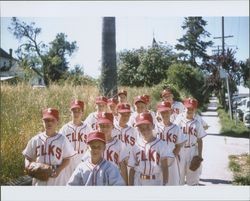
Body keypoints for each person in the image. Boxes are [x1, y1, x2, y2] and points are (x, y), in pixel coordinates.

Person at [22, 108, 76, 185]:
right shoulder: (35, 139)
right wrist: (28, 166)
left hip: (57, 179)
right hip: (39, 179)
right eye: (46, 120)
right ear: (42, 122)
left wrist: (58, 170)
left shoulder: (63, 140)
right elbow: (28, 157)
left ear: (57, 121)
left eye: (52, 120)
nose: (49, 123)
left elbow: (67, 159)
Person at [82, 112, 129, 185]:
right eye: (102, 126)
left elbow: (123, 167)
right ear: (97, 126)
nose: (104, 128)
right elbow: (85, 164)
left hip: (114, 180)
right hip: (96, 180)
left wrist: (125, 185)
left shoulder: (119, 144)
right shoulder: (93, 144)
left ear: (113, 126)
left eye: (107, 126)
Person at [128, 112, 173, 186]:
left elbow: (165, 167)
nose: (145, 130)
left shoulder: (161, 144)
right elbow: (132, 169)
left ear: (153, 126)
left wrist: (165, 183)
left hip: (155, 181)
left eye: (147, 127)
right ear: (138, 129)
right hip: (138, 181)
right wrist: (130, 186)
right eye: (141, 128)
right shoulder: (135, 146)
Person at [174, 98, 207, 185]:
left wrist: (199, 155)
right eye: (188, 108)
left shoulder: (197, 123)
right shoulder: (178, 121)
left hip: (192, 151)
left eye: (192, 108)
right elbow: (174, 137)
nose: (190, 110)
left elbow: (200, 140)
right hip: (180, 151)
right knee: (178, 179)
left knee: (193, 179)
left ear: (195, 109)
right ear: (185, 108)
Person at [155, 101, 187, 185]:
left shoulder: (176, 128)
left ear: (171, 112)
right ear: (159, 113)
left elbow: (179, 145)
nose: (164, 114)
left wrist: (172, 157)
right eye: (162, 112)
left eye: (167, 111)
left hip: (172, 161)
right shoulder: (155, 128)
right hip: (157, 161)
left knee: (173, 184)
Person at [59, 99, 91, 181]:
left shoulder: (88, 128)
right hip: (69, 161)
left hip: (83, 159)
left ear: (82, 112)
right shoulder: (65, 129)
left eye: (78, 111)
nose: (76, 113)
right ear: (71, 112)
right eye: (74, 111)